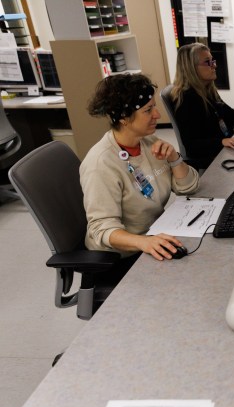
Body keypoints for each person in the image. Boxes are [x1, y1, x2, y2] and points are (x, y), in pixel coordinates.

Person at [81, 73, 200, 277]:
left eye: (154, 106)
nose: (157, 115)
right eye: (148, 110)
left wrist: (174, 158)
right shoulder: (100, 164)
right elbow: (101, 229)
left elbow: (188, 187)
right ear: (124, 118)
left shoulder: (148, 143)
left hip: (154, 237)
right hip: (121, 258)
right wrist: (144, 242)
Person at [170, 42, 234, 169]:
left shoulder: (207, 91)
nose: (214, 65)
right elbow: (192, 146)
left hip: (226, 149)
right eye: (208, 62)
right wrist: (221, 142)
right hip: (213, 157)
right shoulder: (186, 99)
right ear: (191, 68)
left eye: (213, 60)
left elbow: (233, 116)